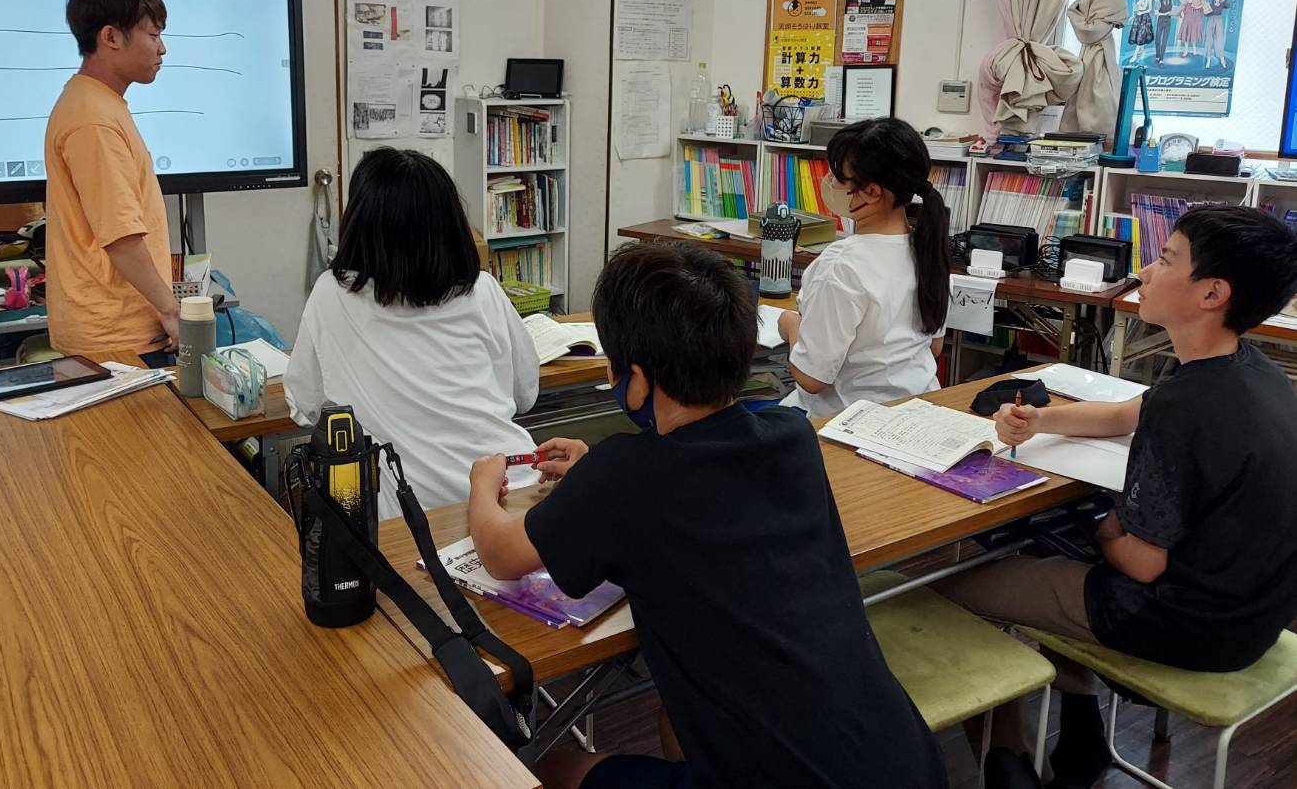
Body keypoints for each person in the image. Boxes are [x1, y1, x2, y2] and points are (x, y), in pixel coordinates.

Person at [467, 241, 949, 789]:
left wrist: (483, 483)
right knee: (676, 720)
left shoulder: (625, 476)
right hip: (903, 760)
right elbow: (703, 497)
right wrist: (593, 479)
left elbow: (502, 554)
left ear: (637, 380)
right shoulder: (792, 438)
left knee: (555, 769)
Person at [941, 204, 1297, 788]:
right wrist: (1040, 420)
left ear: (1212, 293)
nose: (1145, 273)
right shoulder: (1246, 370)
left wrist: (1103, 525)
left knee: (954, 594)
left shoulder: (1187, 407)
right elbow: (1128, 413)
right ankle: (1083, 737)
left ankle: (1009, 765)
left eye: (1166, 260)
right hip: (1255, 614)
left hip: (1188, 624)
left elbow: (1140, 561)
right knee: (1047, 551)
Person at [283, 148, 540, 520]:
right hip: (516, 493)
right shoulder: (482, 289)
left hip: (419, 517)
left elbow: (306, 407)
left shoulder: (331, 294)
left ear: (358, 222)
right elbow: (525, 393)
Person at [776, 116, 951, 417]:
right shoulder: (928, 251)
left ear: (871, 192)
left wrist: (791, 325)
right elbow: (934, 347)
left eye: (838, 176)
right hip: (918, 413)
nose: (830, 183)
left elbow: (812, 379)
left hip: (849, 421)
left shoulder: (841, 264)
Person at [45, 0, 177, 355]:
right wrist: (171, 310)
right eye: (153, 35)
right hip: (115, 336)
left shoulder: (98, 103)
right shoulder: (93, 119)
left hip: (119, 327)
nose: (162, 49)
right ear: (111, 37)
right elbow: (120, 236)